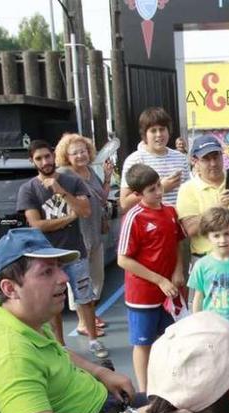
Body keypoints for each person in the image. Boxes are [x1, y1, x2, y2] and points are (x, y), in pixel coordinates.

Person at [0, 228, 149, 413]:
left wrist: (101, 373)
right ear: (10, 288)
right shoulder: (10, 353)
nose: (64, 277)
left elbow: (56, 351)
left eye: (59, 266)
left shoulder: (22, 319)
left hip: (102, 408)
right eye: (47, 272)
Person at [17, 139, 109, 359]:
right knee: (53, 301)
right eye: (38, 158)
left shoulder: (71, 181)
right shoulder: (28, 189)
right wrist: (68, 218)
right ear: (32, 161)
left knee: (85, 297)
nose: (45, 161)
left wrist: (61, 191)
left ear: (53, 156)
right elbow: (37, 225)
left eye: (47, 156)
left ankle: (93, 340)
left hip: (75, 251)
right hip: (47, 256)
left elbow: (85, 211)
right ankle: (60, 345)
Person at [117, 164, 185, 393]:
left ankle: (166, 386)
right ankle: (145, 392)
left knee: (169, 339)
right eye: (151, 190)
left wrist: (177, 270)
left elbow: (175, 243)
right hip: (143, 295)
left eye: (158, 186)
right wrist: (159, 280)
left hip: (169, 292)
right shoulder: (134, 217)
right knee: (143, 343)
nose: (158, 192)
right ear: (137, 194)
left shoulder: (170, 212)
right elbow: (123, 260)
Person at [55, 133, 114, 333]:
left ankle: (91, 315)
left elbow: (102, 199)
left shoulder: (89, 171)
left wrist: (107, 178)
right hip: (77, 235)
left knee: (96, 278)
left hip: (95, 233)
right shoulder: (64, 174)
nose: (81, 155)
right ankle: (83, 323)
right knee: (79, 279)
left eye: (83, 151)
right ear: (66, 156)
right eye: (75, 153)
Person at [176, 135, 229, 265]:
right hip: (207, 264)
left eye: (216, 156)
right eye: (206, 159)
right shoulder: (188, 189)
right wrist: (217, 209)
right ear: (195, 161)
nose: (213, 163)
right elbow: (190, 229)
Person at [120, 107, 190, 214]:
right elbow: (124, 204)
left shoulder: (181, 158)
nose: (159, 134)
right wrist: (162, 188)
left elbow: (188, 194)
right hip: (149, 225)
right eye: (153, 130)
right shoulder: (134, 160)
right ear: (145, 134)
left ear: (168, 131)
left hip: (178, 223)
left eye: (162, 129)